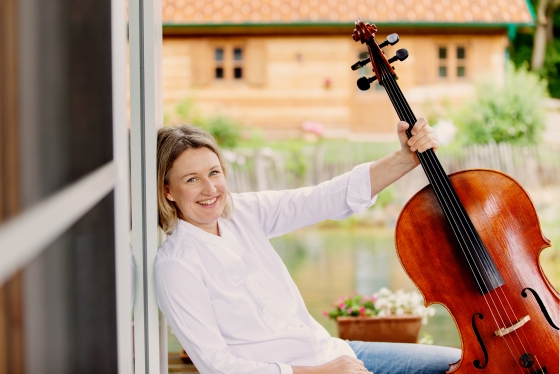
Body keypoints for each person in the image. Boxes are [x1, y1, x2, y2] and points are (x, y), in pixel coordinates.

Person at [154, 118, 461, 374]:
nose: (210, 189)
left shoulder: (243, 212)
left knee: (457, 363)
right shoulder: (176, 266)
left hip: (335, 352)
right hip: (312, 372)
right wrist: (320, 373)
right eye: (192, 180)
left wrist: (404, 159)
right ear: (168, 190)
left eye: (214, 172)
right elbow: (218, 365)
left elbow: (320, 198)